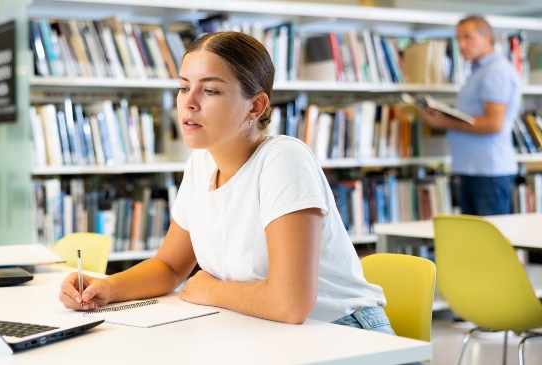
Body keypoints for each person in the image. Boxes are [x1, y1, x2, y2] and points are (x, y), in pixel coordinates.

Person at [59, 32, 393, 333]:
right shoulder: (201, 163)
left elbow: (290, 304)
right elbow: (170, 266)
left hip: (343, 332)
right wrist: (106, 288)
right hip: (267, 331)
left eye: (211, 90)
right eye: (183, 87)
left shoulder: (283, 160)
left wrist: (212, 289)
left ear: (255, 105)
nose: (189, 102)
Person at [421, 15, 521, 216]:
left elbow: (494, 123)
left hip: (488, 172)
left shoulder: (495, 71)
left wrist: (445, 122)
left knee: (489, 242)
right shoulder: (478, 72)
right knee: (475, 241)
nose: (462, 45)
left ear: (486, 37)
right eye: (458, 39)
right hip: (474, 170)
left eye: (468, 38)